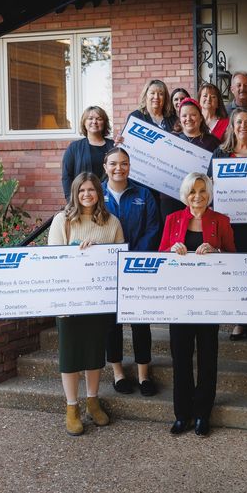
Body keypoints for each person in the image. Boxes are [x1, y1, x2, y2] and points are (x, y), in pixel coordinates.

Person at [159, 172, 235, 436]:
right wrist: (171, 251)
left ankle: (203, 414)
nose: (198, 196)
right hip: (179, 301)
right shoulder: (172, 220)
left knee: (207, 357)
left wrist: (217, 253)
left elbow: (233, 258)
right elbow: (159, 257)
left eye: (203, 191)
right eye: (193, 191)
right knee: (180, 358)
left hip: (208, 300)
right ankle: (182, 414)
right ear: (185, 195)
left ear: (209, 193)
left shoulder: (220, 221)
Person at [48, 172, 124, 436]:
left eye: (91, 190)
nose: (87, 195)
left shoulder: (111, 222)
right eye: (82, 191)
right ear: (75, 193)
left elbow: (119, 260)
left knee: (93, 354)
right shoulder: (62, 220)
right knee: (70, 357)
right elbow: (52, 260)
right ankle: (72, 407)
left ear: (98, 193)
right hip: (69, 302)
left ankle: (92, 400)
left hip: (97, 302)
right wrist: (77, 253)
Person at [101, 148, 161, 397]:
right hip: (105, 270)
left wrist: (134, 258)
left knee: (140, 322)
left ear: (129, 166)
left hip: (137, 267)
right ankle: (117, 372)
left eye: (124, 163)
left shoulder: (143, 194)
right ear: (105, 166)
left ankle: (144, 373)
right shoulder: (95, 193)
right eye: (113, 163)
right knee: (112, 324)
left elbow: (153, 228)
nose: (119, 168)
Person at [214, 108, 247, 341]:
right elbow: (210, 187)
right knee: (237, 271)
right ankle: (240, 319)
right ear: (232, 127)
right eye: (238, 122)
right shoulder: (221, 153)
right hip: (232, 223)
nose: (243, 126)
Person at [159, 98, 220, 221]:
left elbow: (218, 169)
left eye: (193, 115)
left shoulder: (212, 142)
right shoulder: (169, 139)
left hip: (200, 198)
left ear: (201, 117)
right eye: (184, 115)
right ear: (179, 119)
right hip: (171, 198)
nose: (188, 119)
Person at [61, 106, 115, 199]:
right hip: (84, 199)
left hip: (110, 200)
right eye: (90, 118)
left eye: (99, 119)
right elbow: (67, 176)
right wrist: (71, 200)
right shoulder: (74, 147)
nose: (94, 122)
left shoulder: (114, 146)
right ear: (84, 122)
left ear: (104, 122)